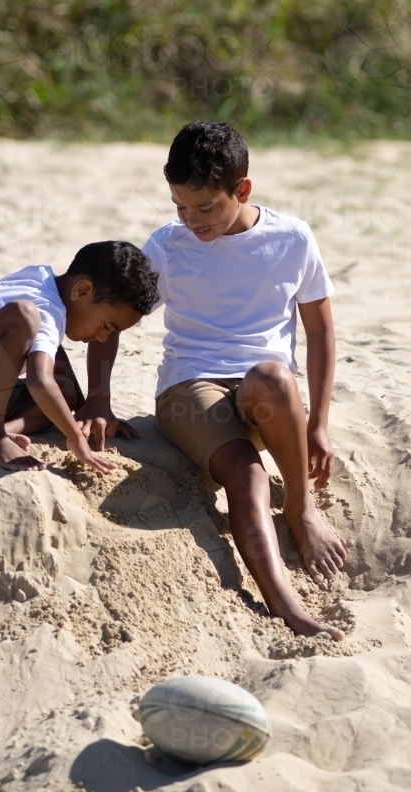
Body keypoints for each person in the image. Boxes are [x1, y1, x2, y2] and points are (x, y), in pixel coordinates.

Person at [85, 121, 348, 641]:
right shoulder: (168, 245)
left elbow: (319, 331)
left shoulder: (292, 238)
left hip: (267, 395)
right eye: (180, 206)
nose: (191, 220)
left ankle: (299, 507)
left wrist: (319, 424)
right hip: (189, 388)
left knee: (273, 374)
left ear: (242, 189)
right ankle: (288, 607)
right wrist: (98, 397)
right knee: (247, 477)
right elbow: (114, 317)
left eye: (204, 207)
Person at [0, 241, 160, 473]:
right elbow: (39, 381)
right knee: (22, 317)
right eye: (106, 326)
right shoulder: (44, 307)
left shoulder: (42, 280)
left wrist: (82, 411)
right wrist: (76, 440)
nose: (102, 338)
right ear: (81, 291)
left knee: (64, 393)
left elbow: (50, 371)